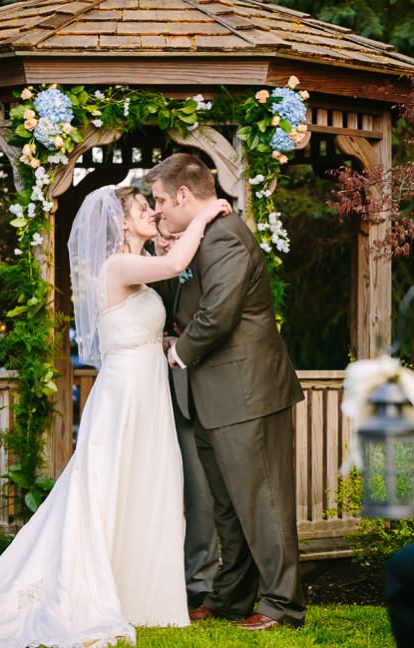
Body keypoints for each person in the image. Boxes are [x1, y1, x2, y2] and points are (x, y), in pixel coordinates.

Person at [0, 185, 229, 646]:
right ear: (121, 222)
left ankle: (140, 593)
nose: (152, 214)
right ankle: (91, 588)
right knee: (109, 486)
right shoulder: (116, 265)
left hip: (146, 385)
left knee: (146, 484)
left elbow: (153, 307)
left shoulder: (135, 264)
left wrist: (169, 345)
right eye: (142, 209)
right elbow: (174, 266)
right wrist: (207, 211)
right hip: (125, 396)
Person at [145, 153, 306, 631]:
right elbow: (182, 302)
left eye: (160, 201)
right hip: (213, 396)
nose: (158, 211)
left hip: (246, 391)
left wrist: (180, 353)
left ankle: (283, 604)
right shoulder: (198, 239)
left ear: (184, 195)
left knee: (263, 500)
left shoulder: (227, 236)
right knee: (228, 505)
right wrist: (163, 256)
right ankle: (232, 596)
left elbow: (219, 312)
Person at [150, 226, 219, 610]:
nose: (165, 239)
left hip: (209, 387)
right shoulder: (150, 267)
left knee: (204, 492)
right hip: (163, 390)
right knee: (186, 486)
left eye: (172, 233)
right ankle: (180, 575)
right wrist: (163, 339)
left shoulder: (210, 260)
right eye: (160, 233)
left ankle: (203, 579)